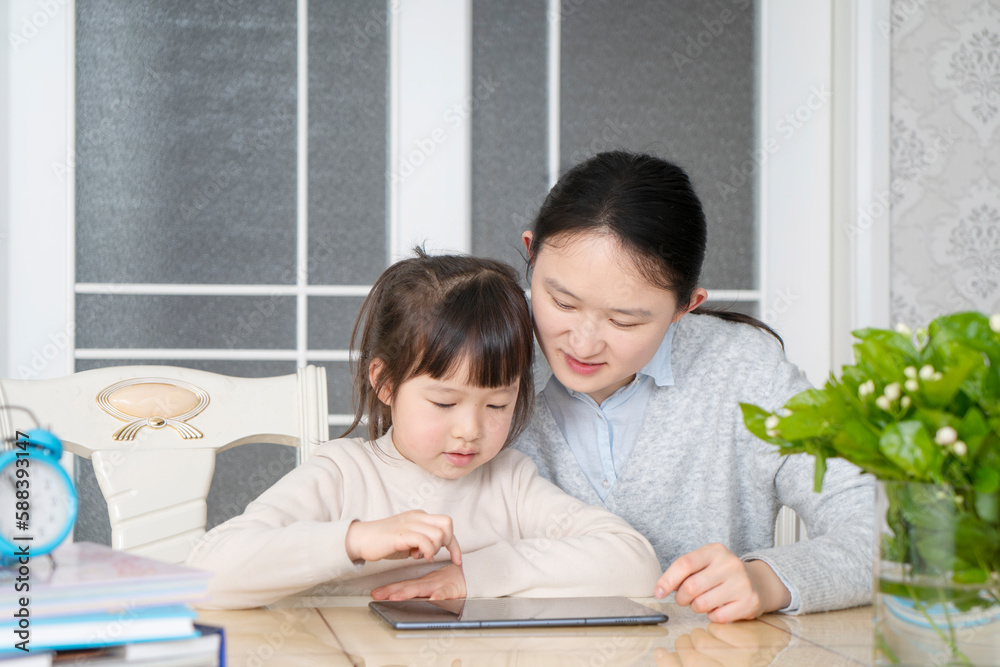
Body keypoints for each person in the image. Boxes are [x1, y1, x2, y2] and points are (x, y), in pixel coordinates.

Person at [186, 249, 662, 609]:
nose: (470, 430)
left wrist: (474, 576)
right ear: (386, 383)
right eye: (444, 402)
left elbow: (635, 565)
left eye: (498, 403)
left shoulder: (509, 481)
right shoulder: (344, 473)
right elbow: (206, 572)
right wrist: (353, 540)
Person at [513, 150, 874, 622]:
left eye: (624, 321)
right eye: (561, 302)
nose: (582, 343)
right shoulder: (482, 357)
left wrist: (768, 579)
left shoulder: (744, 369)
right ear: (530, 252)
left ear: (687, 306)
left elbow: (881, 531)